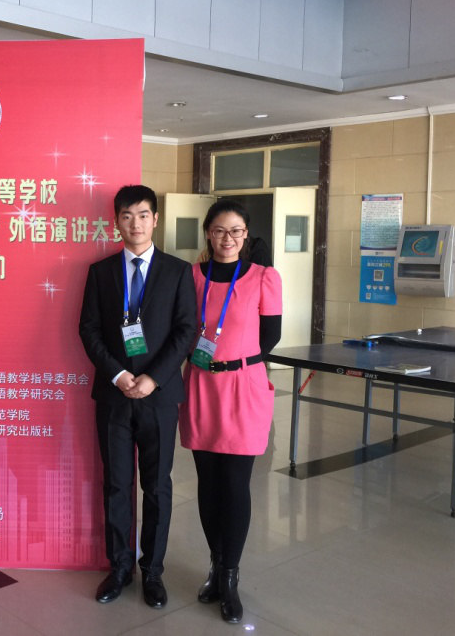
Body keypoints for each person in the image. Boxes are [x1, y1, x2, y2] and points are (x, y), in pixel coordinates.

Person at [79, 185, 196, 609]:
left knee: (157, 486)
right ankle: (120, 567)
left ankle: (153, 572)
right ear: (116, 221)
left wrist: (153, 378)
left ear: (156, 219)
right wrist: (119, 374)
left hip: (158, 397)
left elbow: (187, 329)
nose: (136, 224)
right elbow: (88, 329)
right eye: (127, 216)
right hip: (114, 396)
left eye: (143, 215)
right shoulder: (100, 272)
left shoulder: (178, 271)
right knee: (116, 484)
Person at [179, 199, 282, 623]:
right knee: (208, 483)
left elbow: (270, 336)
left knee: (236, 483)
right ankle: (215, 565)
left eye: (236, 231)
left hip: (243, 387)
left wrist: (233, 361)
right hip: (201, 384)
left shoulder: (263, 277)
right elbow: (182, 328)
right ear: (208, 232)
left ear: (246, 235)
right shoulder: (191, 276)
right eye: (220, 230)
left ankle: (231, 577)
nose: (228, 238)